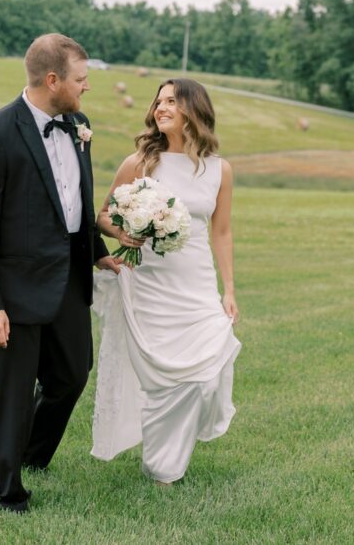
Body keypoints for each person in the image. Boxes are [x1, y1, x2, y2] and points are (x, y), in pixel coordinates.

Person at [0, 33, 121, 512]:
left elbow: (77, 201)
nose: (86, 88)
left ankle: (32, 453)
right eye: (80, 80)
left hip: (70, 278)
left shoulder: (79, 125)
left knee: (72, 374)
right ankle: (6, 489)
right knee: (12, 390)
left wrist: (96, 253)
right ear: (53, 80)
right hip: (15, 287)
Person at [91, 78, 241, 485]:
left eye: (172, 101)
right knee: (161, 379)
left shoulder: (219, 170)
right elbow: (102, 214)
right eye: (158, 102)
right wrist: (123, 232)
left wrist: (228, 290)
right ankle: (162, 466)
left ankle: (173, 451)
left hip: (196, 286)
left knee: (207, 373)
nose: (161, 108)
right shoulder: (139, 162)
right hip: (149, 284)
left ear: (194, 108)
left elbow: (221, 231)